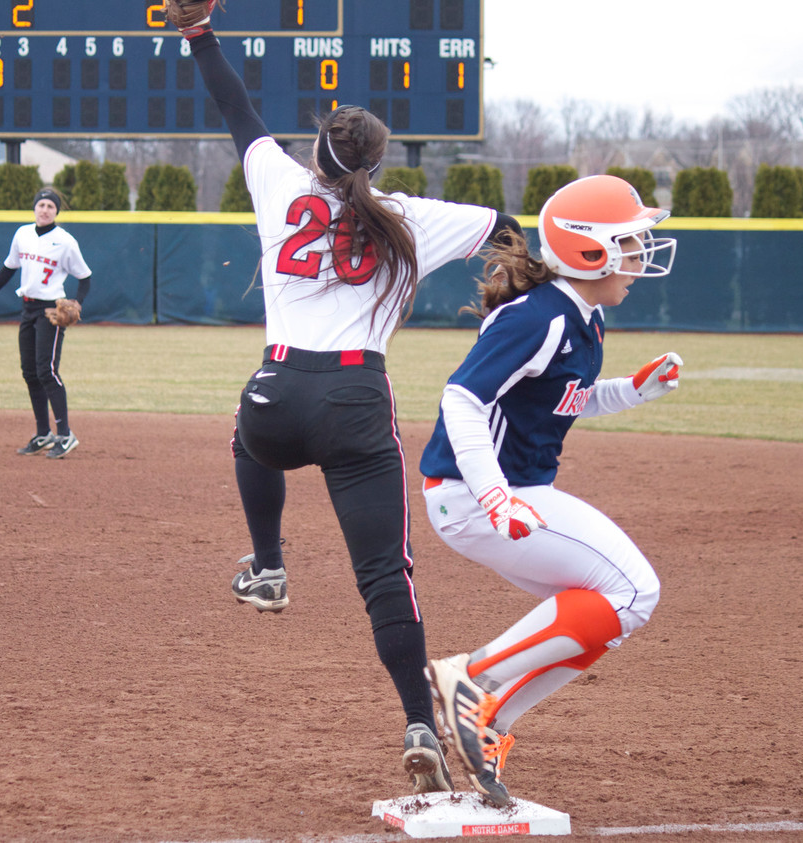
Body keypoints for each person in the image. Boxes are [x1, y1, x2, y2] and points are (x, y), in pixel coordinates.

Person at [164, 0, 522, 794]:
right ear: (374, 163)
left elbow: (234, 104)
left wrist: (198, 33)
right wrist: (511, 295)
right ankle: (418, 721)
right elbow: (506, 226)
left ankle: (267, 565)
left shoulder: (276, 179)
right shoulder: (411, 219)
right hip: (357, 400)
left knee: (244, 420)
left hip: (278, 391)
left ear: (317, 151)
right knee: (384, 575)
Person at [419, 174, 681, 807]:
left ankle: (490, 721)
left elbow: (563, 400)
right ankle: (471, 679)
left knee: (606, 614)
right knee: (634, 590)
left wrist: (632, 391)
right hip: (476, 493)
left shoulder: (578, 317)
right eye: (630, 242)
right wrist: (494, 495)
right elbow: (461, 398)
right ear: (590, 252)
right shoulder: (538, 316)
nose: (641, 256)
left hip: (501, 493)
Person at [0, 187, 91, 459]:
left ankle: (65, 435)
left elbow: (85, 277)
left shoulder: (66, 241)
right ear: (34, 208)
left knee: (47, 371)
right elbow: (9, 268)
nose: (45, 210)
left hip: (51, 311)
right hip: (27, 308)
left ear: (56, 211)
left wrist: (77, 302)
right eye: (41, 205)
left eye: (50, 206)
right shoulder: (22, 234)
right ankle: (43, 434)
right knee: (30, 372)